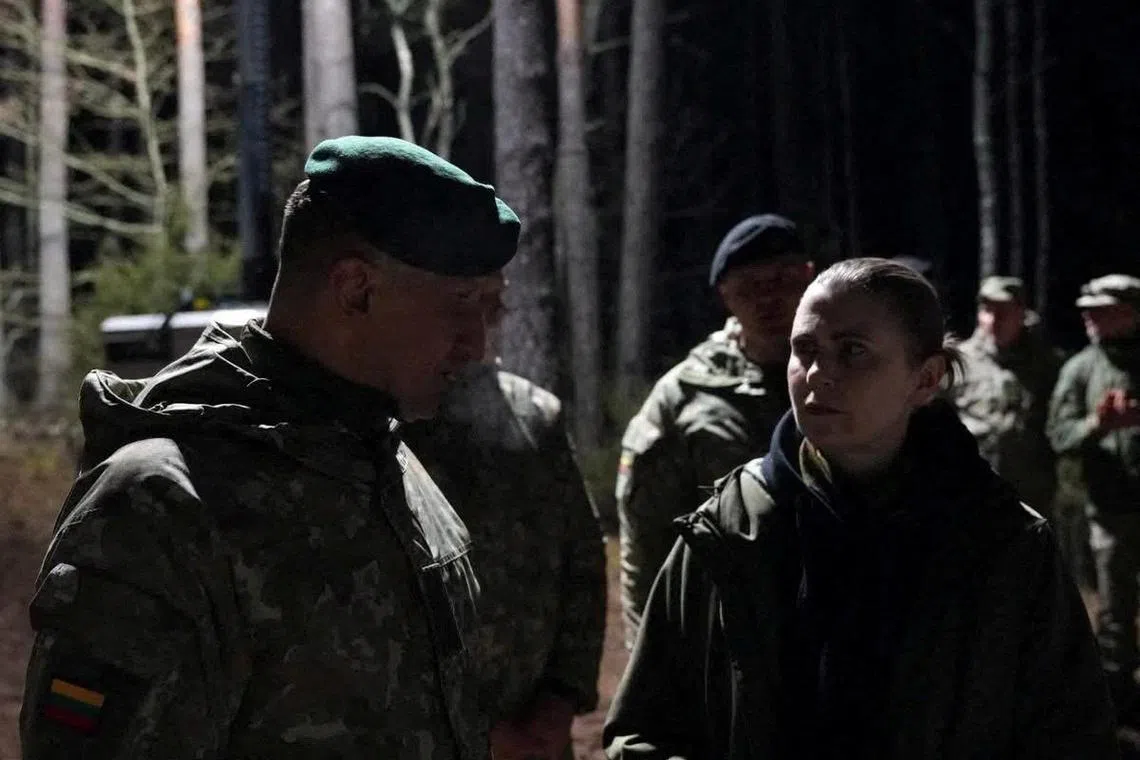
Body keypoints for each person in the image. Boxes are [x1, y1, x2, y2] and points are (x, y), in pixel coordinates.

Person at [20, 136, 519, 759]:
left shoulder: (391, 467)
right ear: (356, 289)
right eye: (460, 305)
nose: (478, 345)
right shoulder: (159, 507)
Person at [605, 258, 1116, 759]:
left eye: (852, 351)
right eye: (804, 349)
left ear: (926, 378)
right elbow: (646, 727)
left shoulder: (1002, 544)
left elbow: (1072, 734)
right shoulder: (733, 526)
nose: (817, 375)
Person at [401, 290, 606, 760]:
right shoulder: (382, 426)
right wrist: (481, 735)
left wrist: (557, 704)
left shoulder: (536, 419)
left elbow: (584, 565)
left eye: (492, 307)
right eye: (459, 304)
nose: (477, 330)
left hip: (538, 737)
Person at [615, 213, 813, 646]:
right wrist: (647, 653)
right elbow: (645, 538)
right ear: (725, 295)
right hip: (726, 637)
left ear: (808, 277)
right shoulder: (686, 395)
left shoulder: (847, 375)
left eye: (781, 280)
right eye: (749, 287)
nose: (769, 300)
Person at [1048, 274, 1140, 710]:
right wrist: (1097, 426)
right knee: (1114, 608)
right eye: (1087, 309)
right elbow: (1058, 433)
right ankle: (1120, 701)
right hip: (1110, 507)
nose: (1089, 316)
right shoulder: (1080, 369)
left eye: (1102, 309)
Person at [950, 276, 1064, 513]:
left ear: (1021, 314)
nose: (994, 320)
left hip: (1030, 489)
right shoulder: (958, 362)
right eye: (987, 311)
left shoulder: (1047, 364)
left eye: (1004, 312)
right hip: (971, 486)